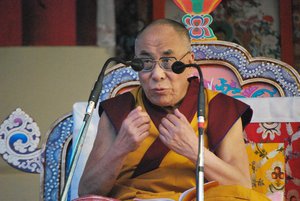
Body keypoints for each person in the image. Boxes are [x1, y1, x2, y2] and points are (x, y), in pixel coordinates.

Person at [78, 19, 270, 201]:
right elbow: (87, 191)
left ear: (189, 63)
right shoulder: (120, 109)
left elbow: (242, 187)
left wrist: (195, 151)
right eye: (145, 63)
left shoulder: (219, 106)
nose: (157, 75)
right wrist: (120, 148)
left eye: (168, 62)